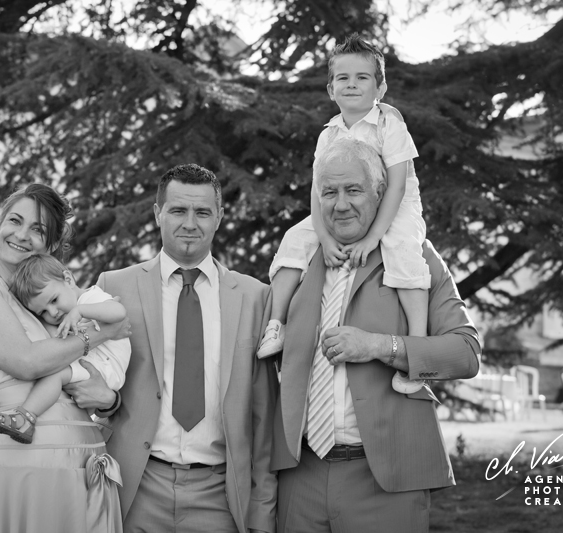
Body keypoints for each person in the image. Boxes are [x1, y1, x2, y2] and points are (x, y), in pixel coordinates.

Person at [271, 137, 481, 533]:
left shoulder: (413, 255)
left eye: (353, 190)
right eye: (329, 192)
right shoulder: (296, 260)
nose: (341, 204)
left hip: (387, 481)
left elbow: (466, 353)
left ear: (381, 192)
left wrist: (380, 346)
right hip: (299, 477)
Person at [96, 164, 277, 533]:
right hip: (135, 486)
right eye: (178, 210)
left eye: (203, 212)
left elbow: (264, 416)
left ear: (219, 217)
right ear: (158, 213)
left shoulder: (255, 297)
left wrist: (261, 511)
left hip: (221, 494)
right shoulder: (114, 287)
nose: (190, 223)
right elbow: (85, 375)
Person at [258, 34, 430, 396]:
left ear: (380, 88)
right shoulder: (329, 135)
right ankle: (276, 323)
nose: (352, 84)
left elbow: (397, 187)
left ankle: (417, 348)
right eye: (343, 78)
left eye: (362, 77)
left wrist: (373, 237)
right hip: (342, 204)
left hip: (396, 206)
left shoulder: (390, 125)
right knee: (294, 240)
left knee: (403, 250)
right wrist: (323, 236)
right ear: (331, 89)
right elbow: (317, 190)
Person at [0, 183, 131, 533]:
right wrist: (104, 332)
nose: (21, 234)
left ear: (51, 245)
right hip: (25, 469)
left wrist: (107, 399)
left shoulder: (53, 303)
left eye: (37, 229)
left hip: (86, 466)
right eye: (14, 220)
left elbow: (86, 380)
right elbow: (27, 362)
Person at [0, 253, 131, 444]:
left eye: (53, 300)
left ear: (68, 279)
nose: (53, 312)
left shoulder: (90, 297)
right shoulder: (67, 313)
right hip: (98, 365)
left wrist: (80, 311)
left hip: (106, 368)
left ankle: (24, 417)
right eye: (43, 311)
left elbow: (119, 312)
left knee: (56, 374)